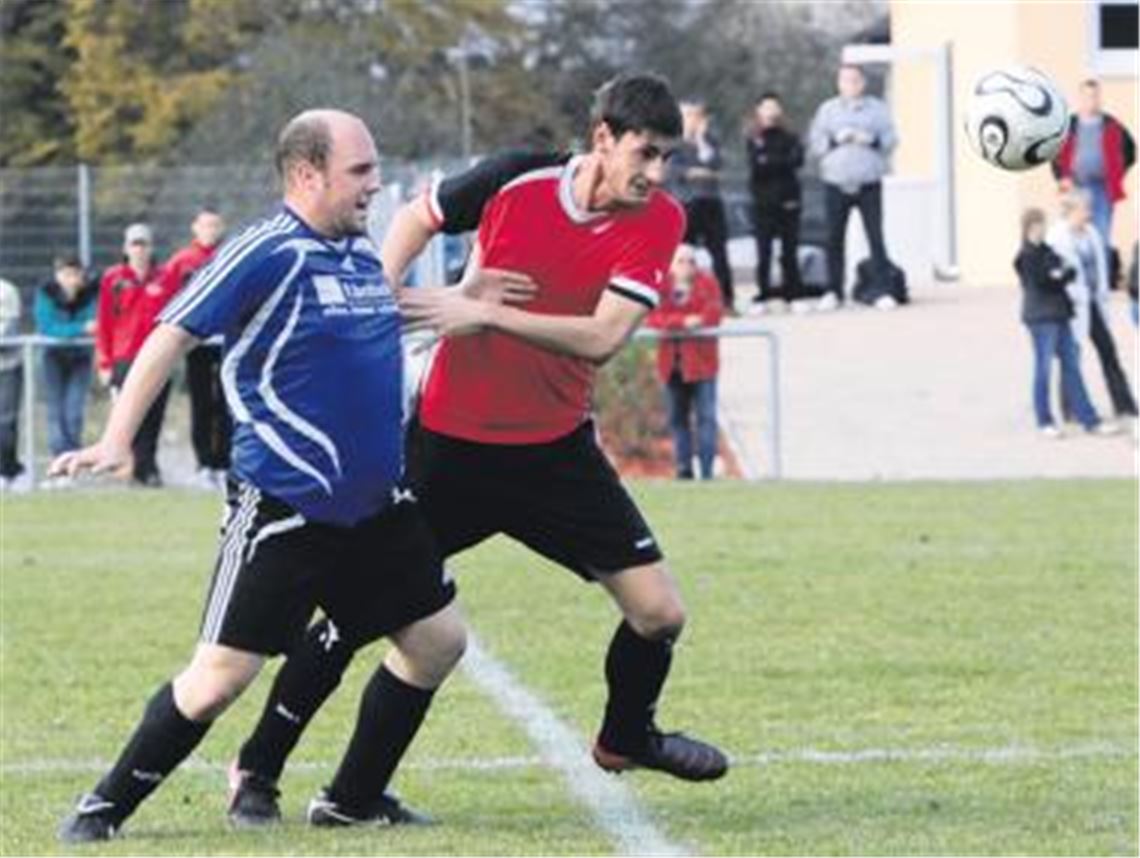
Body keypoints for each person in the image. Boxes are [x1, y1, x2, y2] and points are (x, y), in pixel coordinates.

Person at [225, 73, 728, 828]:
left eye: (666, 159)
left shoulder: (659, 219)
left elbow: (602, 336)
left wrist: (481, 312)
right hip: (447, 449)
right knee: (352, 614)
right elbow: (416, 218)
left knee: (659, 614)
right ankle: (260, 771)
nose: (656, 174)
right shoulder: (513, 179)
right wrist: (375, 297)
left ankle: (626, 735)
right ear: (602, 138)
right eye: (645, 154)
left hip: (555, 455)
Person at [53, 109, 469, 842]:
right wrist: (117, 438)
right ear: (307, 174)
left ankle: (352, 799)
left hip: (377, 510)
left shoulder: (355, 253)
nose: (375, 184)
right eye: (360, 171)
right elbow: (169, 333)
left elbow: (365, 334)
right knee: (217, 681)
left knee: (438, 641)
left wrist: (468, 306)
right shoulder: (265, 250)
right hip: (286, 507)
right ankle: (102, 808)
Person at [1014, 208, 1110, 438]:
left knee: (1072, 367)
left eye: (1043, 224)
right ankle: (1044, 420)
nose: (1042, 229)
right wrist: (1058, 275)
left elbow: (1069, 271)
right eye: (1038, 225)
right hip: (1041, 319)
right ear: (1029, 228)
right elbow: (1044, 281)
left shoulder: (1048, 251)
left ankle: (1090, 419)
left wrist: (1059, 275)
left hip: (1061, 314)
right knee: (1044, 369)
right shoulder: (1026, 256)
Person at [808, 64, 898, 311]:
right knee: (834, 237)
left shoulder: (877, 110)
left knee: (875, 237)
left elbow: (891, 140)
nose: (851, 85)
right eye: (846, 80)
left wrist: (870, 139)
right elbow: (816, 143)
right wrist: (836, 139)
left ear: (863, 83)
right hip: (836, 183)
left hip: (869, 183)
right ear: (839, 83)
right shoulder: (827, 110)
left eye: (855, 80)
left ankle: (882, 290)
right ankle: (833, 291)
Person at [95, 223, 177, 486]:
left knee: (155, 412)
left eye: (143, 244)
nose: (139, 249)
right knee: (129, 412)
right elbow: (104, 321)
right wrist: (104, 361)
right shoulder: (113, 278)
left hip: (158, 355)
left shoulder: (165, 277)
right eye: (134, 244)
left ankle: (148, 466)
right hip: (125, 356)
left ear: (151, 247)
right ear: (126, 248)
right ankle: (133, 466)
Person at [1046, 189, 1137, 422]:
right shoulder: (1056, 236)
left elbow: (1100, 267)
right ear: (1072, 210)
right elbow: (1051, 272)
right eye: (1084, 209)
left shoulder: (1092, 233)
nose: (1088, 213)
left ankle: (1124, 404)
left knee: (1108, 351)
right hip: (1071, 306)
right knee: (1071, 357)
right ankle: (1070, 409)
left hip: (1093, 302)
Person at [164, 207, 231, 489]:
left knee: (227, 405)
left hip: (226, 341)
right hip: (196, 343)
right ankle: (204, 464)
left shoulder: (230, 254)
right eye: (205, 225)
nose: (210, 230)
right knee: (201, 404)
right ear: (195, 227)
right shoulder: (182, 261)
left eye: (215, 225)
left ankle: (224, 463)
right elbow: (169, 298)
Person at [648, 244, 723, 478]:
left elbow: (713, 314)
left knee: (706, 419)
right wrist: (683, 322)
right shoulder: (662, 286)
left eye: (691, 261)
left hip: (702, 365)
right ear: (671, 265)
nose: (687, 266)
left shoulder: (707, 283)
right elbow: (654, 318)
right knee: (678, 420)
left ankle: (707, 472)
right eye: (681, 261)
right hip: (671, 365)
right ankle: (684, 470)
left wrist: (687, 321)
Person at [1051, 79, 1135, 256]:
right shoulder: (1069, 125)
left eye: (1094, 96)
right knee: (1073, 236)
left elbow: (1131, 150)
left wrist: (1117, 173)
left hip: (1102, 188)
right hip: (1074, 187)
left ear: (1099, 99)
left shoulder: (1110, 124)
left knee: (1100, 235)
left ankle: (1099, 273)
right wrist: (1061, 177)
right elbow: (1053, 153)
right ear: (1080, 98)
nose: (1091, 100)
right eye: (1087, 96)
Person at [34, 255, 98, 481]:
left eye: (75, 274)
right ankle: (58, 463)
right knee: (55, 413)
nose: (71, 280)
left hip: (80, 358)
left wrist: (70, 330)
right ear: (57, 275)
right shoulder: (46, 293)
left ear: (81, 276)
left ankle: (72, 463)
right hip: (52, 358)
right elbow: (47, 327)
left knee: (73, 413)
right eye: (66, 274)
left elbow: (95, 323)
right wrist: (79, 329)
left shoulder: (90, 294)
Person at [670, 102, 735, 309]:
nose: (693, 120)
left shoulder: (710, 143)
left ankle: (726, 301)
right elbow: (677, 171)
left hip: (711, 202)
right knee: (681, 254)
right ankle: (679, 299)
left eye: (697, 116)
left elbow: (716, 165)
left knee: (719, 252)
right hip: (686, 204)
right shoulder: (675, 145)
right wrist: (698, 172)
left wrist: (701, 140)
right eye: (689, 115)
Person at [746, 92, 805, 311]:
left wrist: (770, 159)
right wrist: (779, 160)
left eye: (774, 107)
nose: (771, 111)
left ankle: (793, 295)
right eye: (766, 107)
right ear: (759, 110)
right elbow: (757, 165)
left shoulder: (790, 136)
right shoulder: (753, 137)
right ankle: (763, 295)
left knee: (789, 250)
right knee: (764, 251)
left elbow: (797, 160)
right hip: (763, 203)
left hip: (789, 200)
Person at [0, 277, 26, 491]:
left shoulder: (7, 291)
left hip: (7, 366)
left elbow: (9, 330)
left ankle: (7, 470)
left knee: (6, 421)